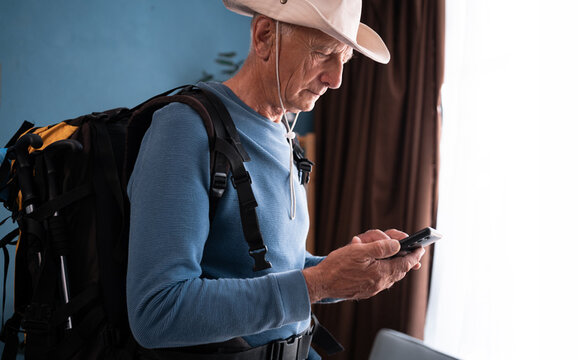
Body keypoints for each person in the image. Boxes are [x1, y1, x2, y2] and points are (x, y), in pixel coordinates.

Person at [125, 0, 425, 359]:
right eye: (323, 53)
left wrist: (344, 273)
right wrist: (320, 283)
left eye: (343, 59)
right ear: (265, 35)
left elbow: (273, 268)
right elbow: (158, 313)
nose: (336, 80)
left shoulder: (284, 135)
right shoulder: (184, 130)